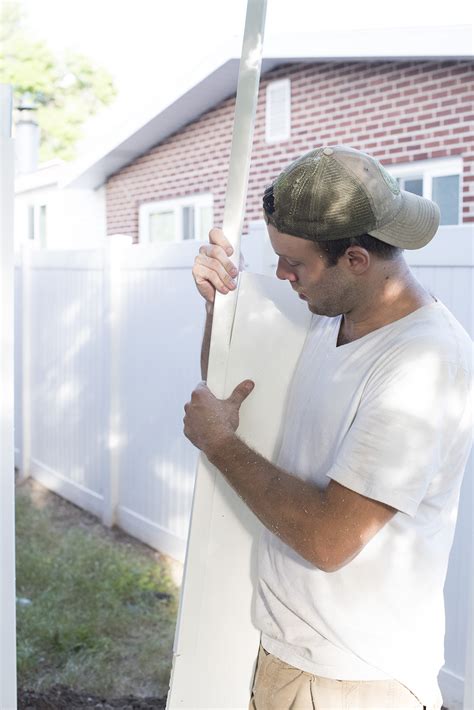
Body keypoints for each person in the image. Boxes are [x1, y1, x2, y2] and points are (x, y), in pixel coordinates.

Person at [183, 145, 473, 710]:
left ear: (357, 259)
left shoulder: (422, 367)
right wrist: (218, 312)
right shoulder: (335, 314)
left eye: (296, 262)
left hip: (352, 682)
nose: (281, 273)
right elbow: (226, 397)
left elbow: (329, 539)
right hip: (295, 658)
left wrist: (220, 445)